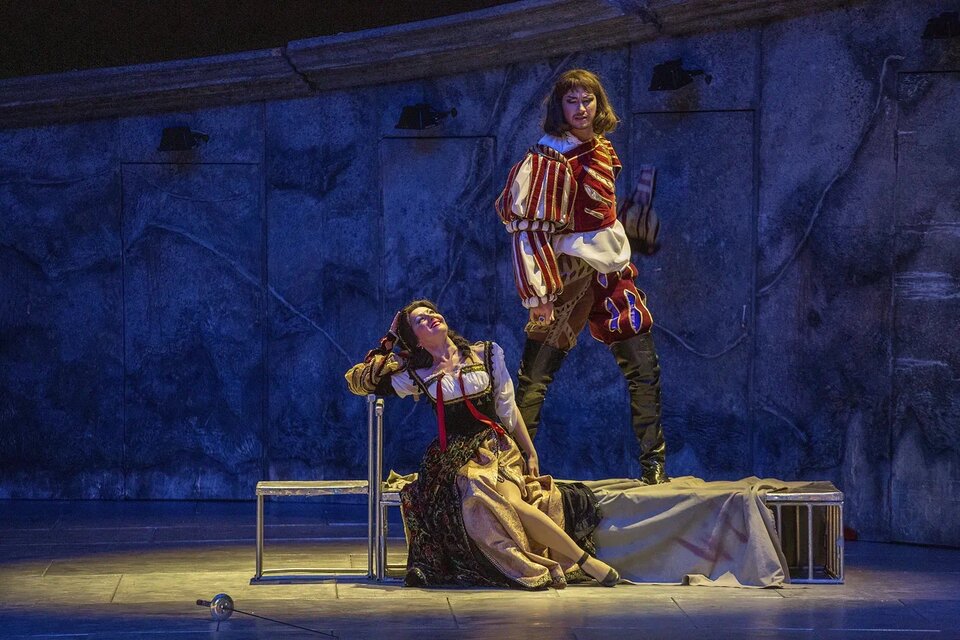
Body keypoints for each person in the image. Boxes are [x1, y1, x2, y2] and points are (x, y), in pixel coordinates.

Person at [345, 299, 619, 589]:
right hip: (453, 458)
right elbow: (360, 381)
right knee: (476, 487)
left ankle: (582, 560)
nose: (431, 317)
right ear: (416, 340)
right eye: (419, 320)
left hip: (495, 446)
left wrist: (530, 452)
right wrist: (390, 342)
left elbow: (508, 410)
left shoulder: (485, 354)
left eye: (431, 312)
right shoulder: (416, 374)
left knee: (512, 500)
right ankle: (538, 564)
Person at [495, 68, 667, 484]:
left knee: (643, 366)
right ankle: (513, 468)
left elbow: (601, 214)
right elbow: (529, 231)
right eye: (571, 101)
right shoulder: (547, 157)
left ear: (598, 103)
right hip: (568, 273)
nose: (581, 108)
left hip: (611, 269)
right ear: (560, 106)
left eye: (587, 100)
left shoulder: (602, 147)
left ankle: (654, 465)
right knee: (535, 378)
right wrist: (539, 294)